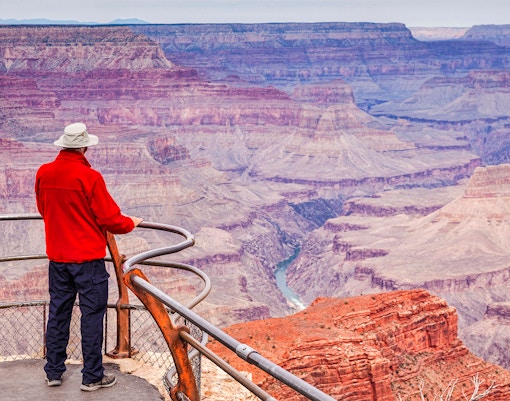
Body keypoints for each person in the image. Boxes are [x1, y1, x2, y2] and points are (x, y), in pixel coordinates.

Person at [35, 122, 143, 391]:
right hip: (87, 261)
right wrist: (131, 223)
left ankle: (53, 372)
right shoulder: (89, 177)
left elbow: (43, 208)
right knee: (91, 315)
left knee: (58, 313)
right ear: (84, 147)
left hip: (58, 259)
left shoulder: (44, 173)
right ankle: (92, 376)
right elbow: (110, 218)